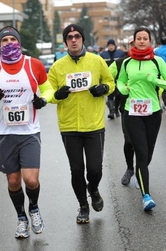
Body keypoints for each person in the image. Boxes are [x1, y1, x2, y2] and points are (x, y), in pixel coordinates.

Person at [0, 26, 54, 238]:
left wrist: (42, 99)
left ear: (18, 42)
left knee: (31, 180)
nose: (9, 43)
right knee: (13, 181)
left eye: (12, 39)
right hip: (5, 134)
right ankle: (21, 217)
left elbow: (48, 89)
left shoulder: (33, 64)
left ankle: (34, 208)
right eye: (4, 40)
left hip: (29, 132)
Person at [47, 24, 115, 223]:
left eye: (77, 36)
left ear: (83, 39)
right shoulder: (57, 67)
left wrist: (103, 88)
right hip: (69, 126)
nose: (74, 40)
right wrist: (57, 95)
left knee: (95, 170)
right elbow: (48, 93)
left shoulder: (97, 61)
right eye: (69, 37)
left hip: (94, 124)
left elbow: (111, 83)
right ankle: (83, 206)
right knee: (76, 169)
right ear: (65, 41)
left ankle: (93, 189)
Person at [117, 27, 166, 211]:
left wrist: (156, 81)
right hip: (132, 113)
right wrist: (122, 89)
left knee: (148, 155)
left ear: (150, 41)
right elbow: (119, 81)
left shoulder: (157, 62)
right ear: (134, 41)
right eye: (139, 38)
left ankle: (139, 173)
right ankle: (146, 196)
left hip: (152, 113)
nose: (142, 41)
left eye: (145, 38)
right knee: (141, 153)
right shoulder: (127, 63)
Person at [109, 36, 137, 187]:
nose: (135, 46)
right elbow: (106, 77)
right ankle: (130, 168)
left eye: (138, 42)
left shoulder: (151, 61)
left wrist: (156, 94)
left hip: (147, 109)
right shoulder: (119, 62)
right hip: (126, 107)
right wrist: (115, 89)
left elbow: (159, 80)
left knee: (144, 144)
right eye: (132, 44)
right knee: (129, 141)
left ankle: (141, 170)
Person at [101, 39, 125, 119]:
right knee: (110, 94)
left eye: (112, 45)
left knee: (118, 94)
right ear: (107, 46)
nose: (111, 47)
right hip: (108, 77)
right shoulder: (103, 55)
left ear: (114, 46)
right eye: (109, 46)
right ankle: (111, 111)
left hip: (118, 77)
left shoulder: (120, 53)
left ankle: (116, 109)